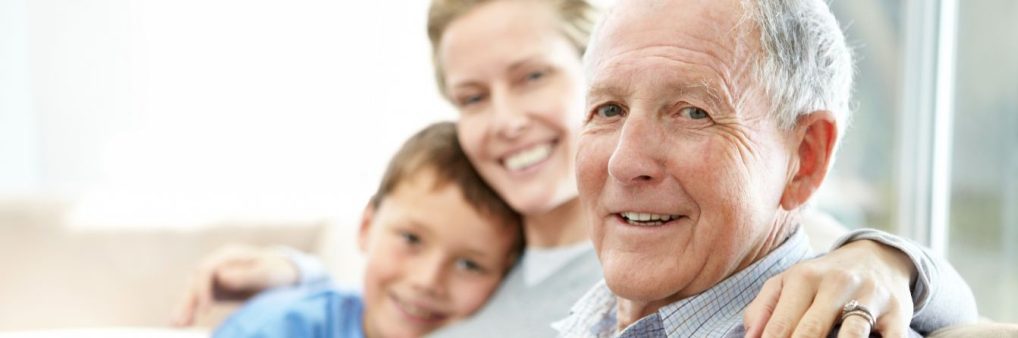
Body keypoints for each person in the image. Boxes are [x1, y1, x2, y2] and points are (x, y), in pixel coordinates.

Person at [173, 0, 977, 337]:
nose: (506, 121)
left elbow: (831, 260)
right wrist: (297, 270)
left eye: (531, 79)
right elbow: (388, 301)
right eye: (471, 96)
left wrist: (892, 262)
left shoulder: (716, 258)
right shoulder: (489, 245)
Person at [554, 0, 977, 337]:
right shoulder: (587, 315)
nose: (624, 162)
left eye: (694, 113)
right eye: (609, 109)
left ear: (805, 159)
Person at [210, 122, 523, 337]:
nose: (428, 280)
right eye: (411, 239)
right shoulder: (273, 328)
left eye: (469, 264)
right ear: (366, 226)